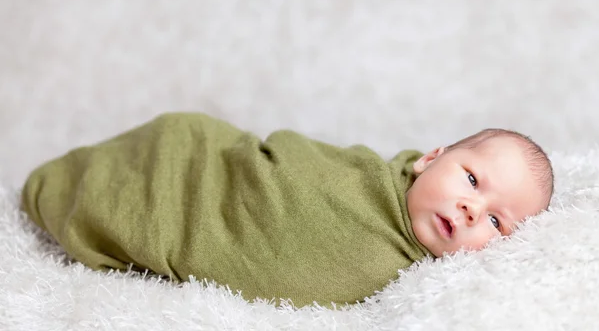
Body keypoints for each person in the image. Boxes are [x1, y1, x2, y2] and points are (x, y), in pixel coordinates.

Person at [20, 112, 553, 308]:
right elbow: (289, 166)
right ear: (430, 159)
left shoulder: (415, 281)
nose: (468, 208)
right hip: (202, 167)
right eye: (472, 178)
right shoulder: (366, 174)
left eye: (495, 221)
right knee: (176, 145)